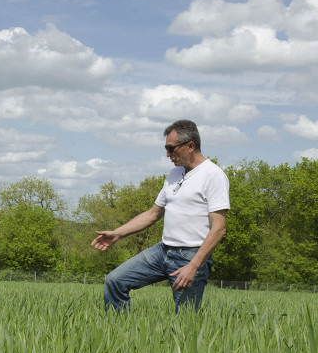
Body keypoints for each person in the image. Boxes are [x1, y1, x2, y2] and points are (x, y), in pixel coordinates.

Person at [91, 120, 229, 313]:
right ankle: (117, 336)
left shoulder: (213, 175)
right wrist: (117, 234)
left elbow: (219, 228)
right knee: (115, 281)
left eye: (171, 149)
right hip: (162, 251)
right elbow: (153, 213)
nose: (167, 154)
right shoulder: (174, 173)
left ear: (190, 146)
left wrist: (194, 266)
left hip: (189, 256)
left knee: (185, 322)